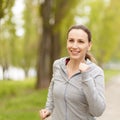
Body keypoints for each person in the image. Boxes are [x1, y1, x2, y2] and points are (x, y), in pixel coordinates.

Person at [40, 25, 106, 120]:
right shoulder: (58, 65)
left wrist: (86, 77)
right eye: (71, 40)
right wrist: (49, 108)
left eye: (80, 41)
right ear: (67, 42)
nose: (74, 46)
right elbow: (52, 87)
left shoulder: (96, 72)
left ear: (89, 45)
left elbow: (98, 111)